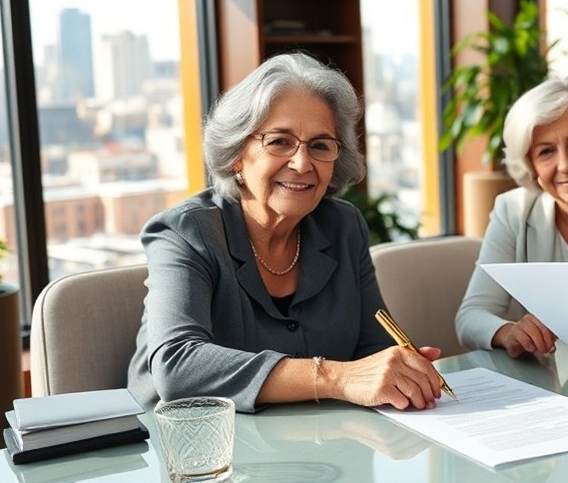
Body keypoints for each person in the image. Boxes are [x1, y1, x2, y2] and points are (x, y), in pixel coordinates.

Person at [128, 52, 442, 413]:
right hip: (185, 450)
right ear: (237, 154)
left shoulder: (343, 226)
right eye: (279, 141)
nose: (302, 163)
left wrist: (399, 370)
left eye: (320, 145)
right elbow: (177, 366)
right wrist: (336, 378)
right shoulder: (185, 232)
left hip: (311, 446)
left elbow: (370, 348)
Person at [455, 76, 568, 358]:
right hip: (551, 383)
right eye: (546, 152)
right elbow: (470, 317)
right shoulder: (513, 211)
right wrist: (509, 332)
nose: (565, 165)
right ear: (530, 164)